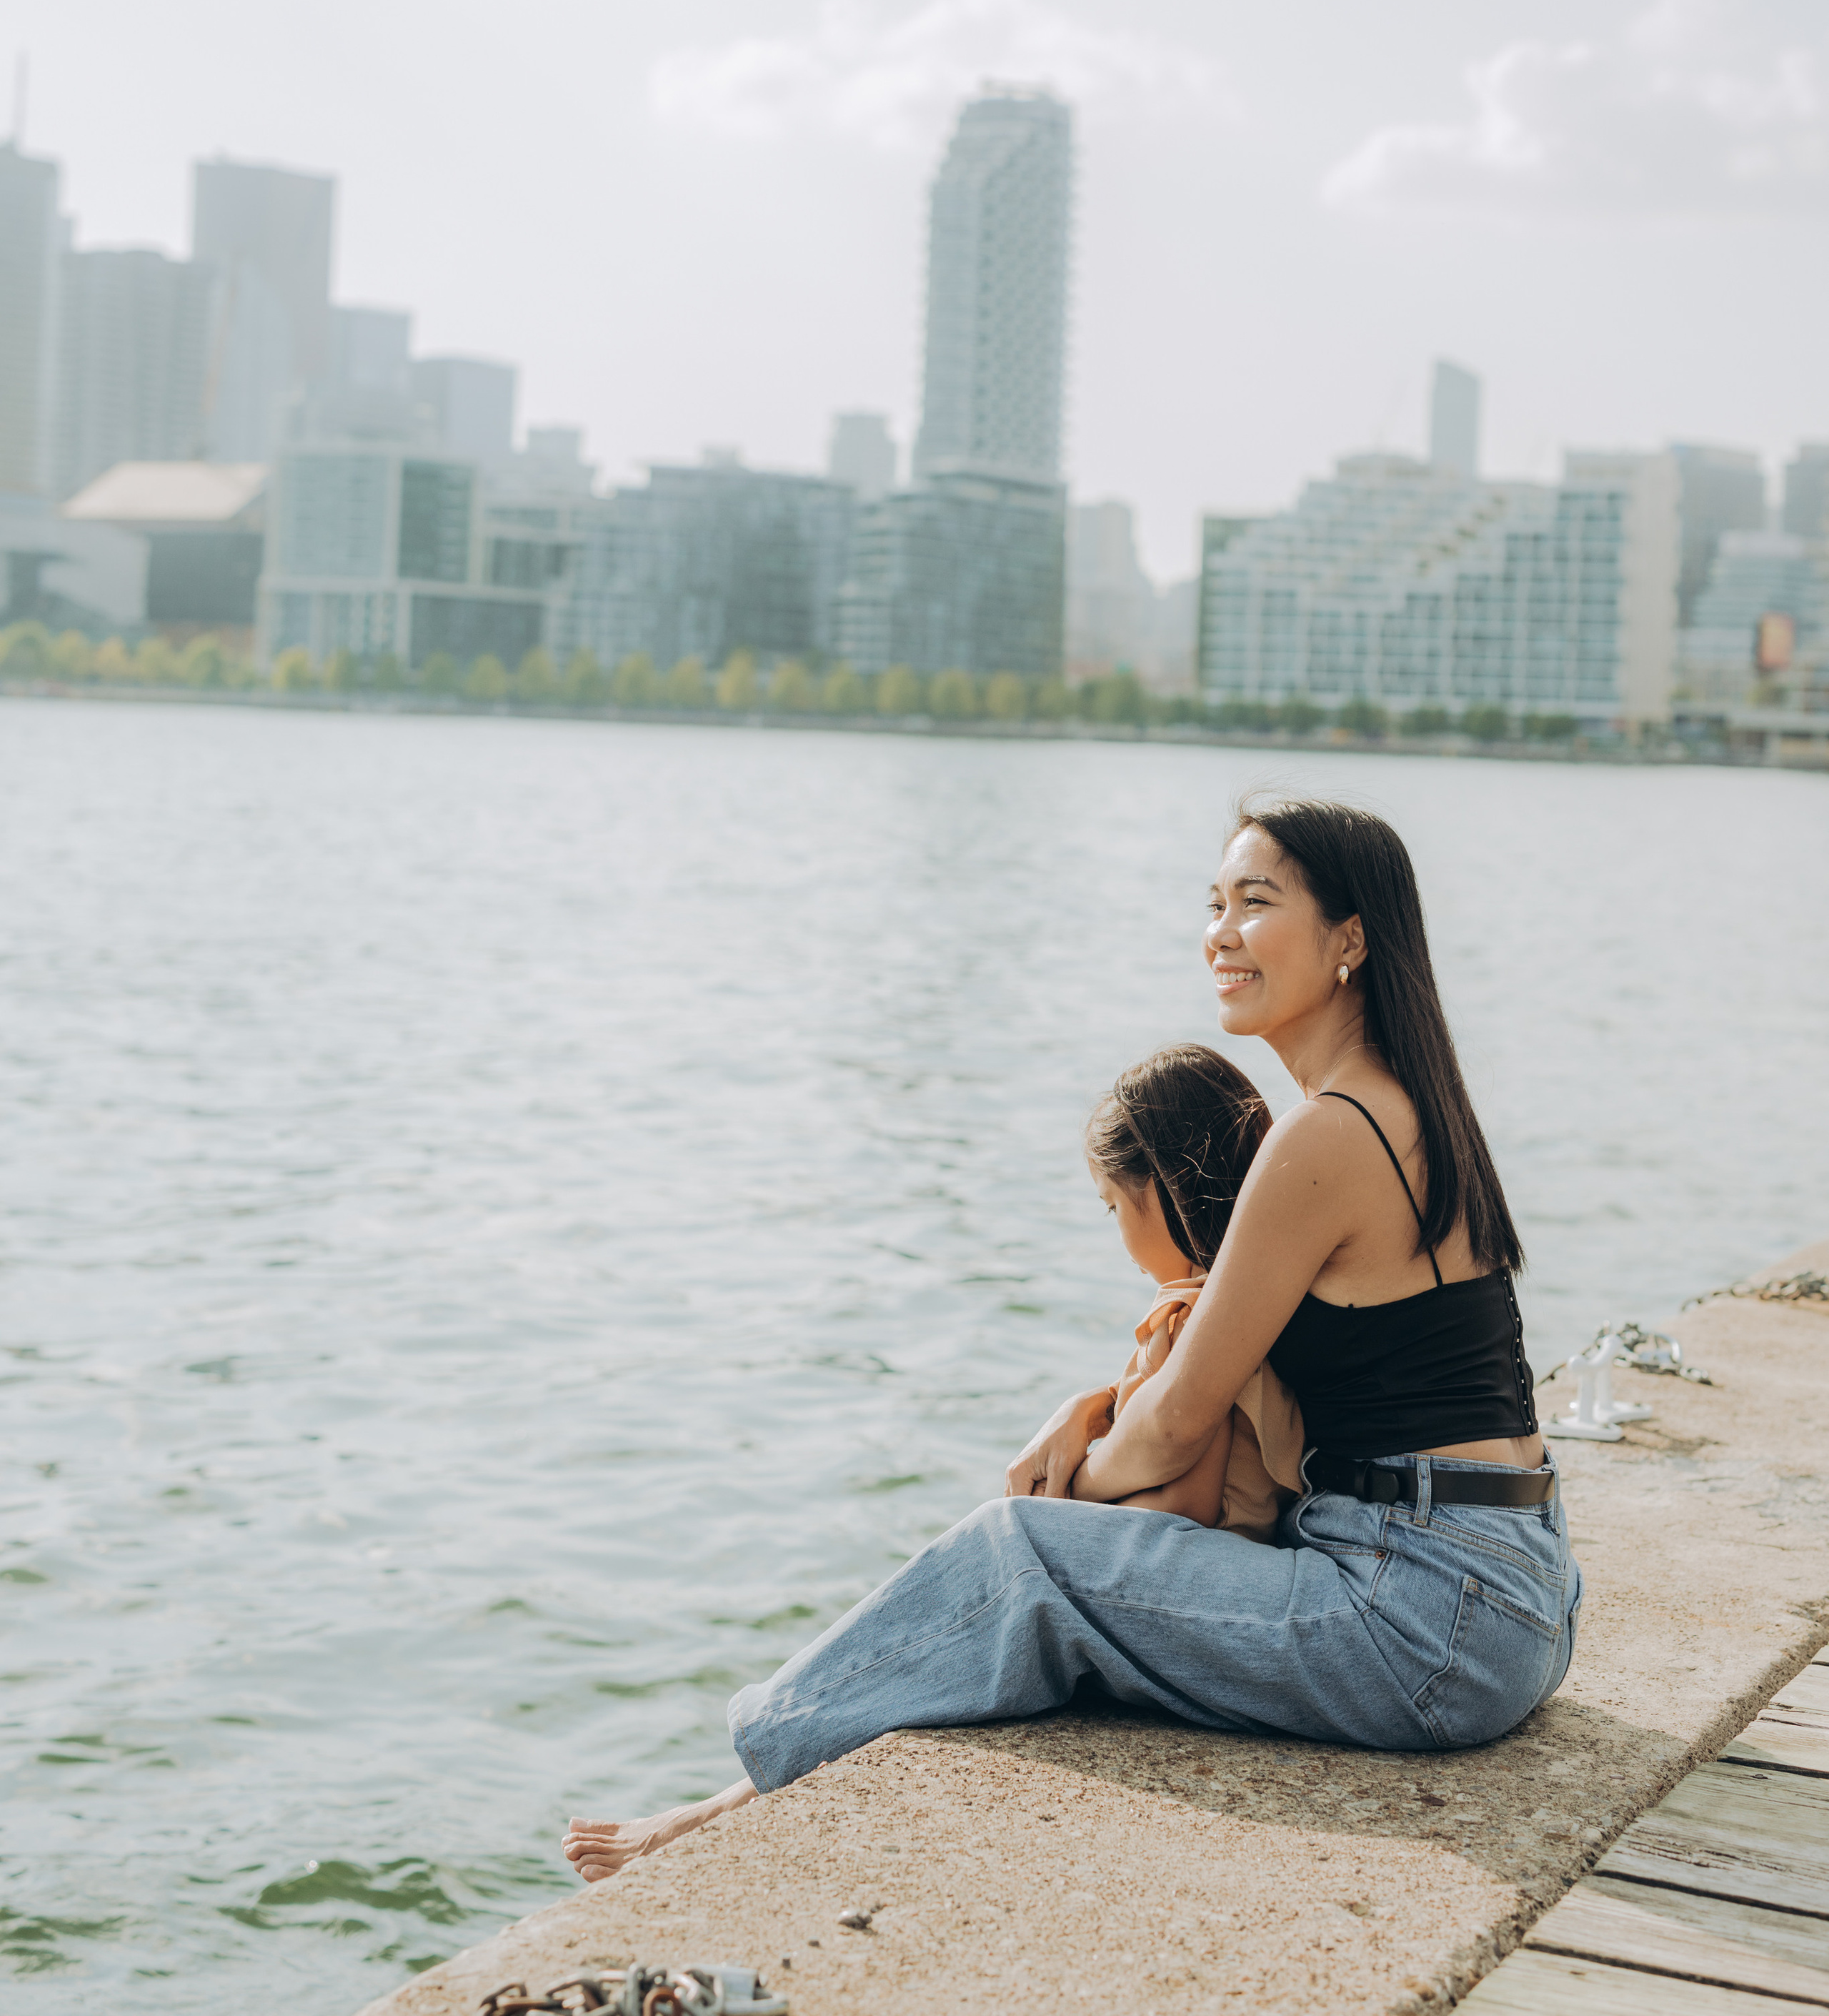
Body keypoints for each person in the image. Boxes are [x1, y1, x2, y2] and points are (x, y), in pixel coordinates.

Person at [562, 796, 1577, 1886]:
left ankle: (738, 1801)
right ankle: (765, 1781)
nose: (1221, 932)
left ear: (1349, 941)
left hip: (1425, 1625)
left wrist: (1060, 1500)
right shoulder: (1412, 1107)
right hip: (1515, 1593)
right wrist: (1090, 1409)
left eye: (1256, 903)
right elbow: (1231, 1364)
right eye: (1214, 904)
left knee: (1020, 1551)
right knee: (1052, 1562)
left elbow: (1185, 1412)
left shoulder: (1328, 1134)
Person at [1081, 1043, 1302, 1536]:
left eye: (1113, 1207)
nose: (1119, 1234)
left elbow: (1187, 1506)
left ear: (1167, 1187)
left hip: (1215, 1557)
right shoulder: (1268, 1305)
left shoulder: (1193, 1321)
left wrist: (1072, 1497)